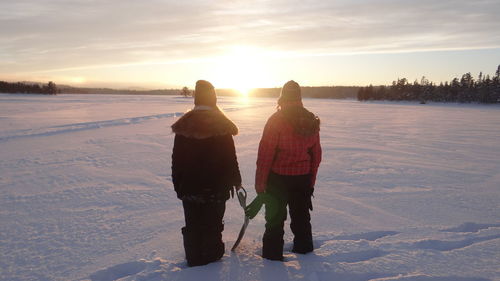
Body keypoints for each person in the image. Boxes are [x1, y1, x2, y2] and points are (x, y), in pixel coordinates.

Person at [248, 80, 321, 261]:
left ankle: (272, 258)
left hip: (278, 180)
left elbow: (265, 155)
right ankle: (305, 254)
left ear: (283, 96)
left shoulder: (276, 120)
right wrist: (310, 182)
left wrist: (260, 185)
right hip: (302, 179)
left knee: (274, 220)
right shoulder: (311, 119)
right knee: (302, 218)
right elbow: (316, 156)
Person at [171, 80, 242, 266]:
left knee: (193, 225)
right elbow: (230, 158)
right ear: (213, 98)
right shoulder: (221, 124)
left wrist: (178, 185)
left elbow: (176, 160)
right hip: (216, 188)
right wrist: (236, 181)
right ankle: (211, 260)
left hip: (189, 187)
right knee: (212, 225)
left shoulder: (184, 125)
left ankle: (194, 259)